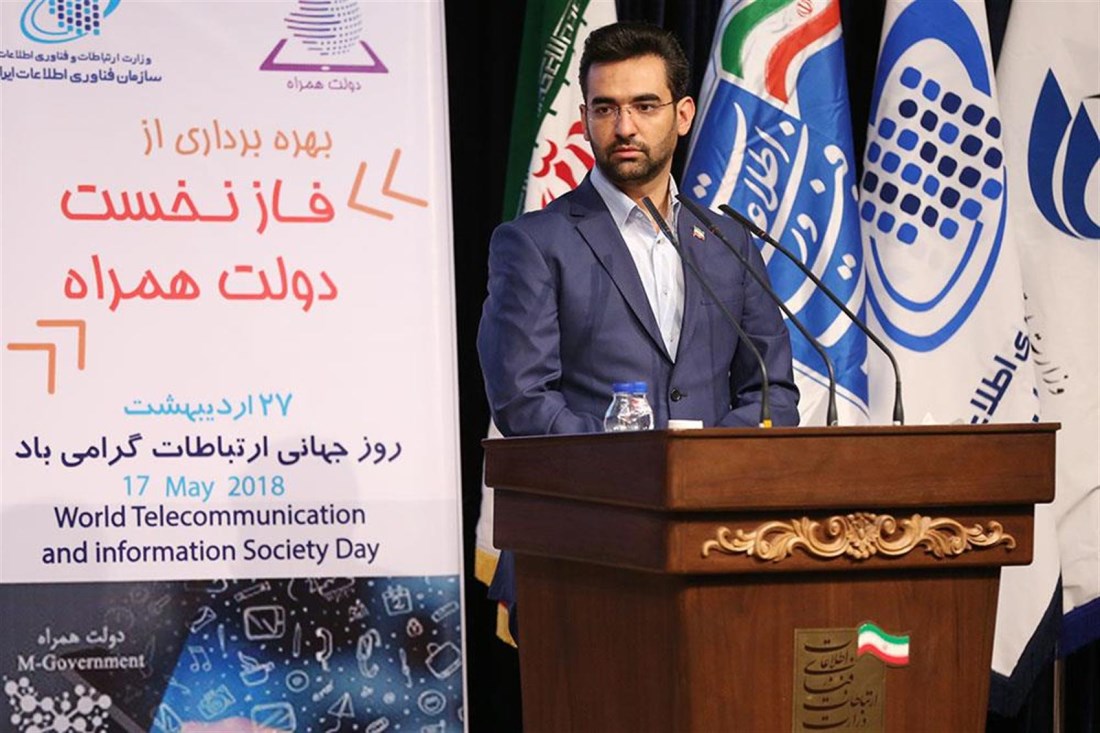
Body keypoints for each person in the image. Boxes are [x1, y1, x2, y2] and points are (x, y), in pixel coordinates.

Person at [478, 20, 799, 437]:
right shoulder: (535, 244)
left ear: (683, 115)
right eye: (605, 108)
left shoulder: (728, 241)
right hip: (596, 478)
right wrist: (634, 461)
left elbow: (772, 392)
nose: (624, 127)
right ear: (584, 119)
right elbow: (522, 401)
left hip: (715, 477)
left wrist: (705, 458)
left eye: (645, 106)